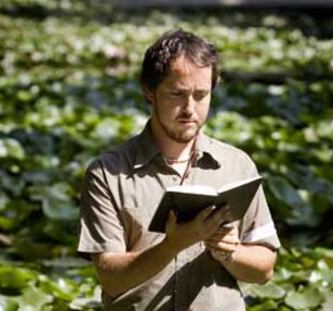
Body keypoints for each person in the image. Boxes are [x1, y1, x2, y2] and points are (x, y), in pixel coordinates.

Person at [78, 29, 280, 311]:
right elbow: (111, 279)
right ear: (149, 91)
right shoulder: (107, 173)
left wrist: (230, 252)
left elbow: (264, 270)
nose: (190, 109)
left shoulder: (238, 165)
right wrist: (171, 245)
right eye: (177, 94)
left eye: (201, 95)